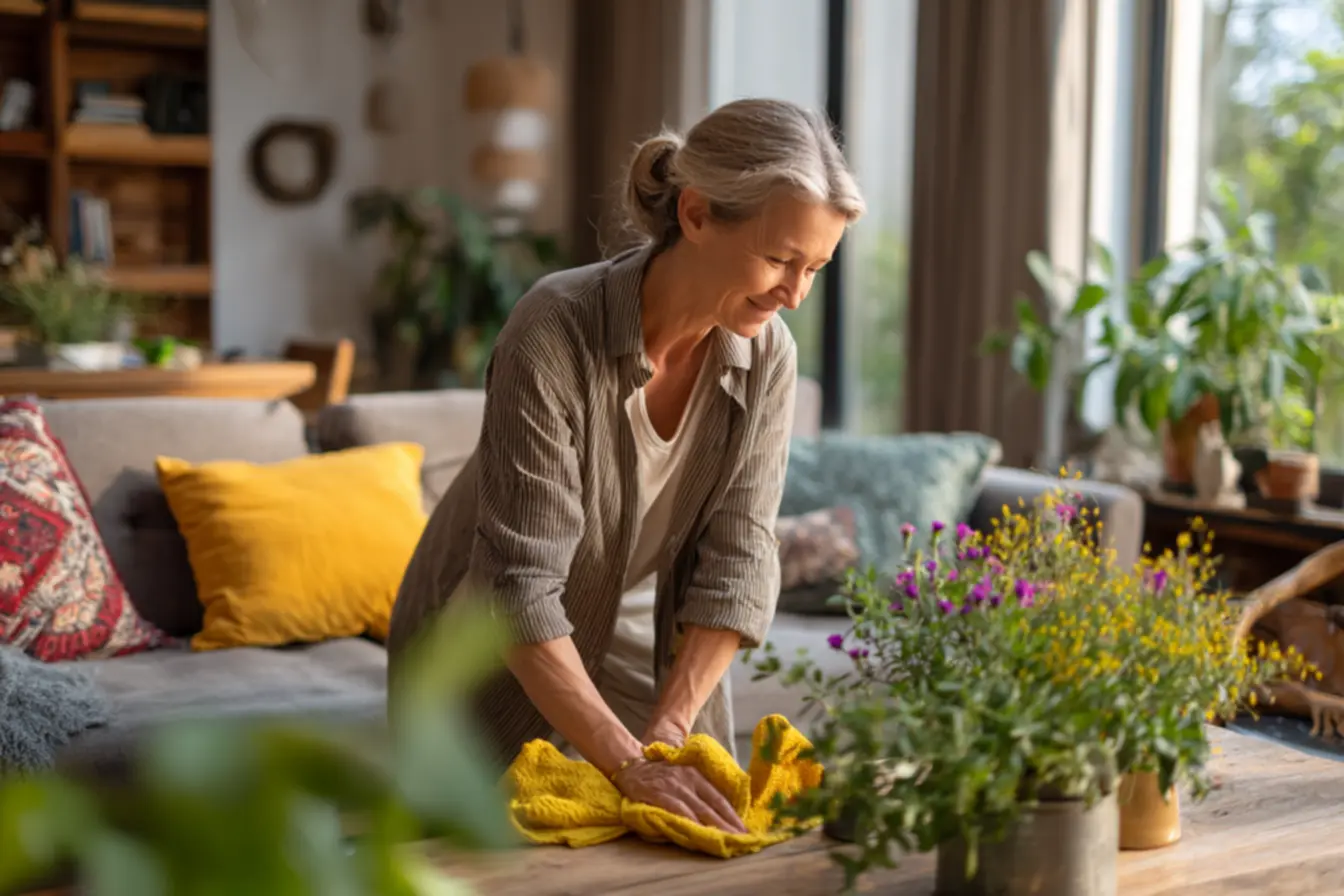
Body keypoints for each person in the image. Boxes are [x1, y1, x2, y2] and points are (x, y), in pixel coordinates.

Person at [386, 97, 865, 834]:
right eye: (778, 259)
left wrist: (669, 730)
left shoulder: (769, 355)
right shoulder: (552, 330)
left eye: (816, 268)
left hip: (633, 625)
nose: (795, 293)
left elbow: (738, 559)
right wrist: (627, 760)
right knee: (495, 845)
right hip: (483, 631)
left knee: (695, 836)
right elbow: (518, 587)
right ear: (699, 214)